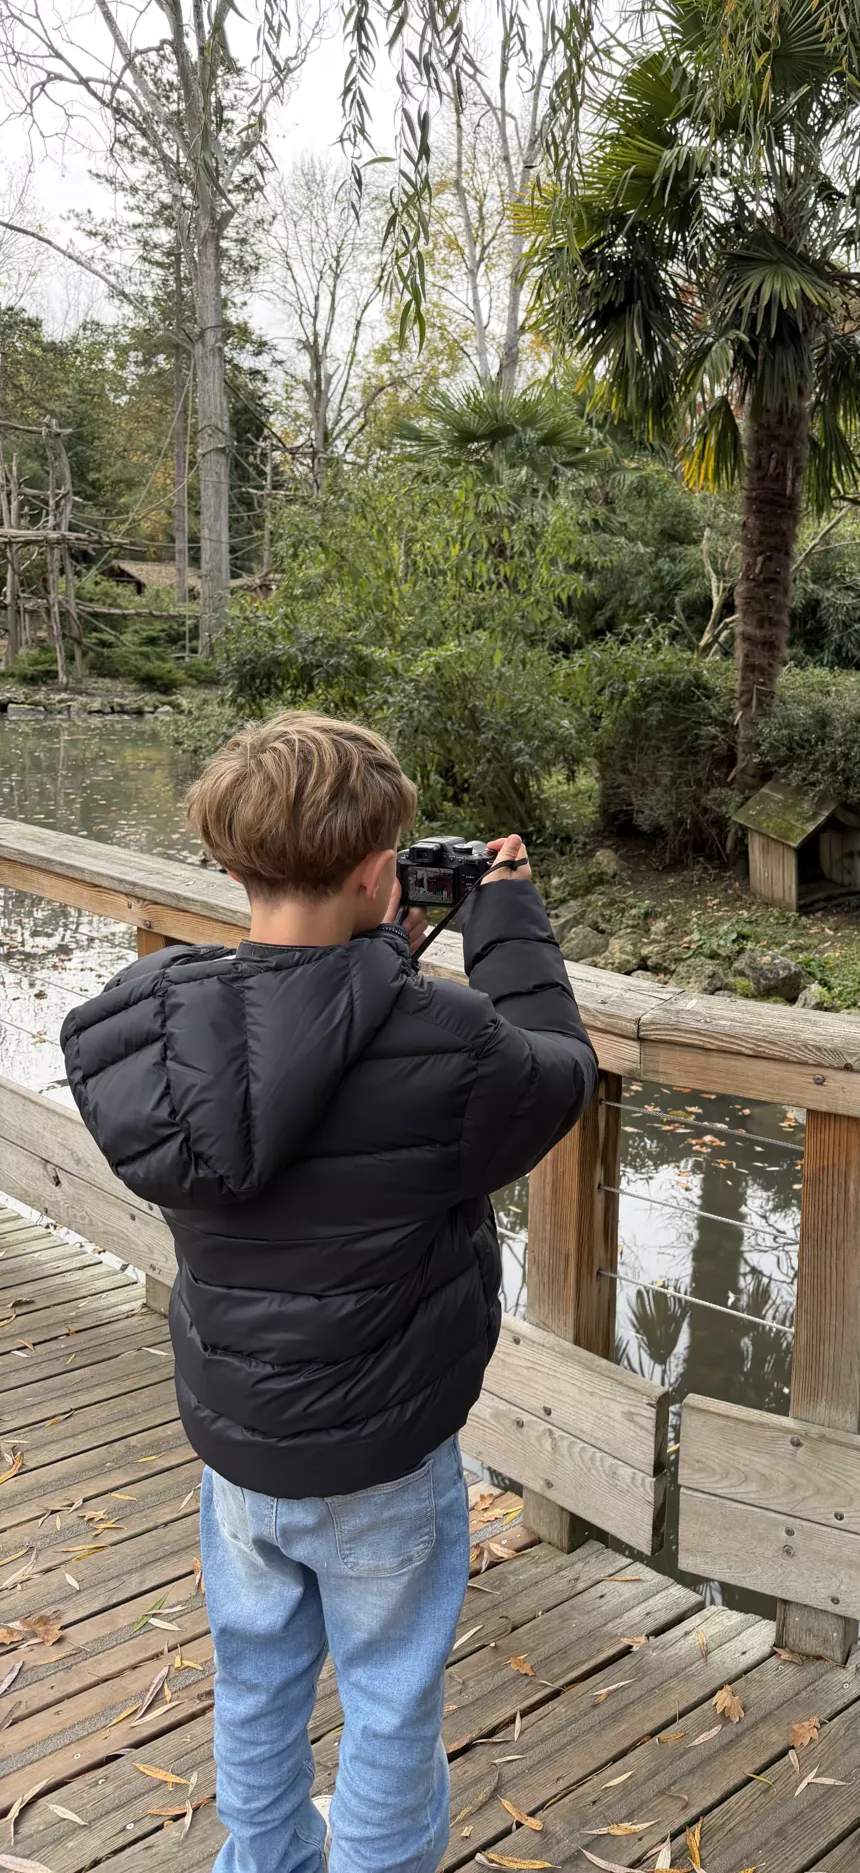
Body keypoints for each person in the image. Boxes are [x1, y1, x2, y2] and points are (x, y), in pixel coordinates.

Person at [60, 711, 596, 1873]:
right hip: (384, 1456)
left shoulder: (151, 1022)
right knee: (390, 1703)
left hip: (240, 1448)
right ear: (375, 870)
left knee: (254, 1680)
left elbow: (275, 1055)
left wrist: (370, 957)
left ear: (234, 860)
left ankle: (258, 1863)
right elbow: (557, 1073)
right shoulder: (448, 1042)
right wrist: (504, 921)